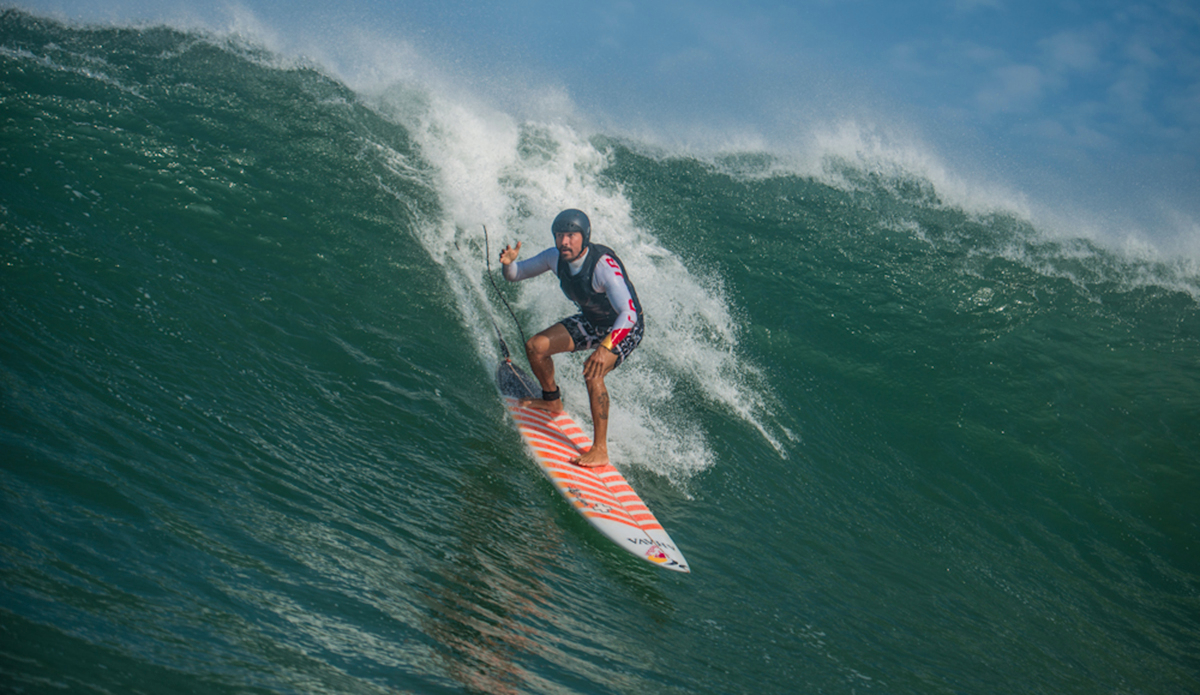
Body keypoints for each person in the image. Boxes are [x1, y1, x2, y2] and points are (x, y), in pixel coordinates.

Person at [499, 209, 644, 468]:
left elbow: (629, 313)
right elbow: (516, 274)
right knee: (536, 347)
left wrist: (605, 348)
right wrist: (509, 263)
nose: (564, 242)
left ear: (584, 237)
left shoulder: (603, 267)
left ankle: (600, 450)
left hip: (624, 327)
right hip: (593, 322)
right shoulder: (554, 258)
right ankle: (552, 401)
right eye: (559, 235)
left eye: (571, 236)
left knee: (593, 370)